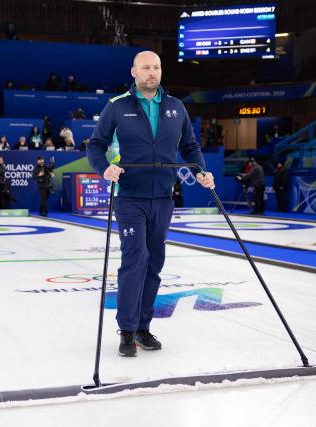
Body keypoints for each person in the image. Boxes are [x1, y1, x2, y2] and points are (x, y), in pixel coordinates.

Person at [87, 50, 214, 357]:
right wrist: (104, 168)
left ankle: (144, 327)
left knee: (155, 262)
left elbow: (190, 145)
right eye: (146, 67)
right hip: (130, 196)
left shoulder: (175, 107)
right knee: (136, 258)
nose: (151, 72)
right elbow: (96, 144)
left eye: (156, 67)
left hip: (163, 198)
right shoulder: (117, 107)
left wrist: (201, 171)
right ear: (134, 72)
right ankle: (127, 330)